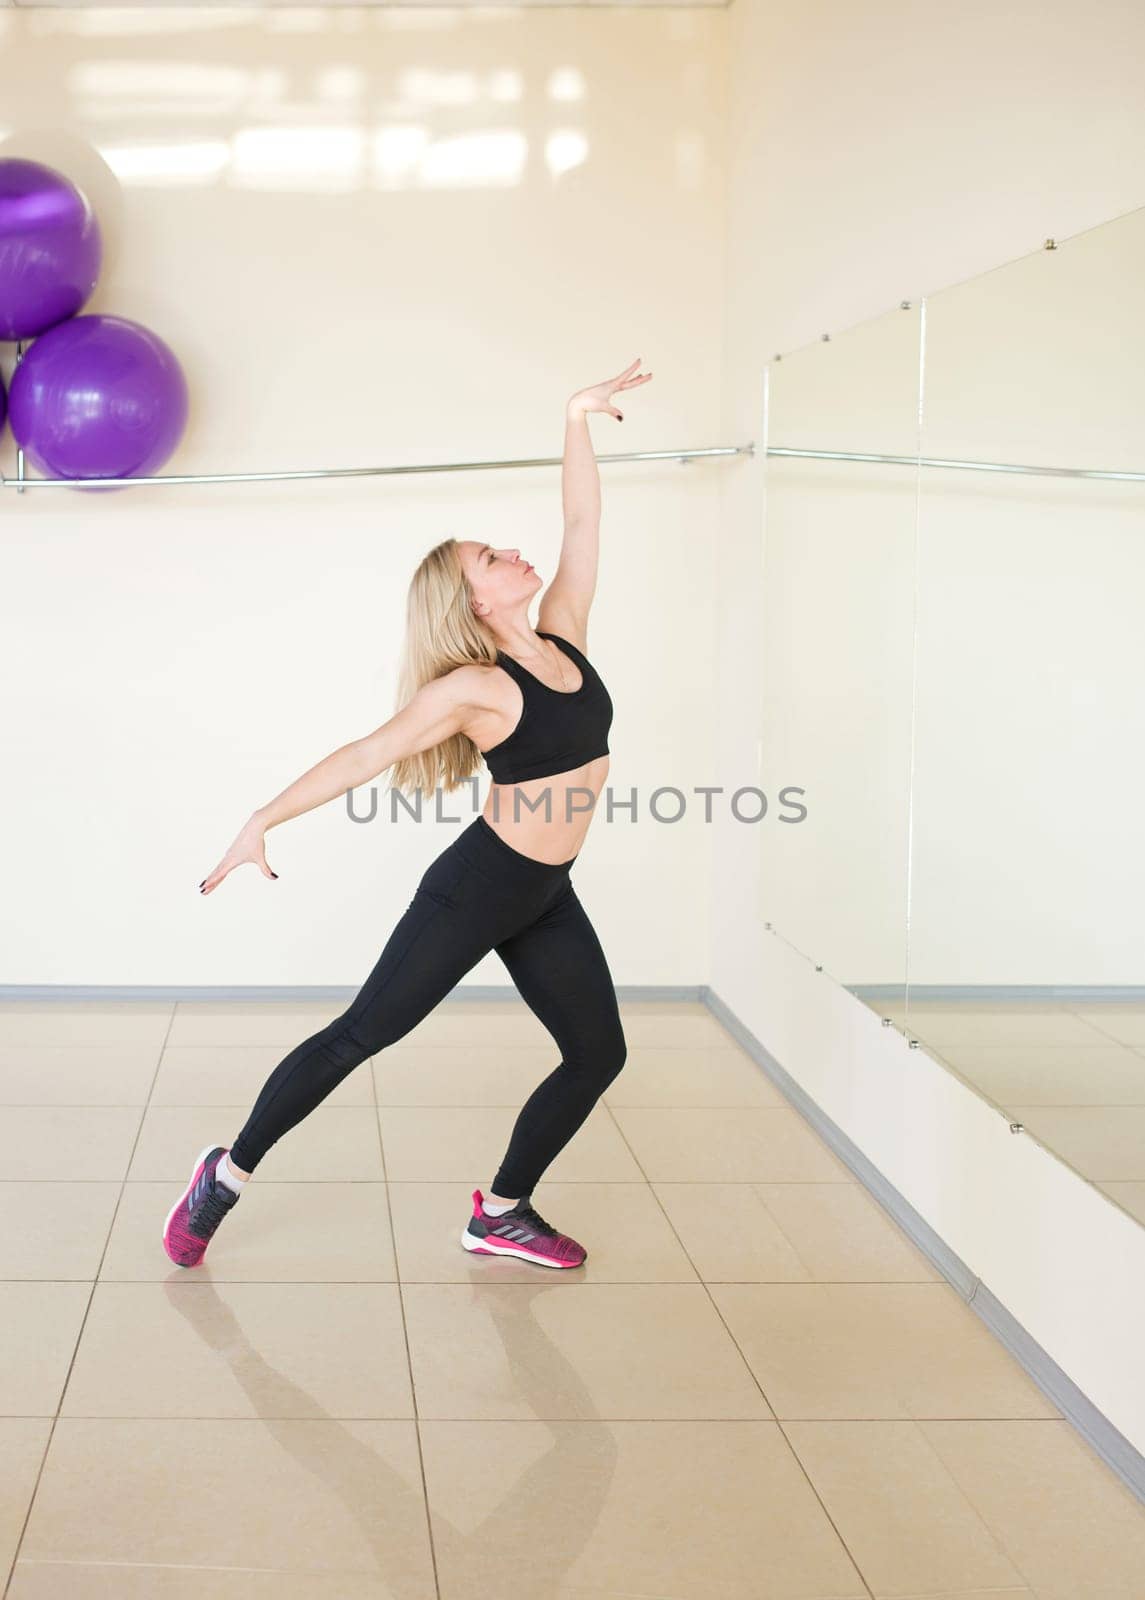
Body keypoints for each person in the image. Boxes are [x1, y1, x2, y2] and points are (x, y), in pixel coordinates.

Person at [163, 357, 654, 1272]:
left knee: (597, 1053)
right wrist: (260, 819)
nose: (512, 553)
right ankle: (225, 1173)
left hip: (546, 891)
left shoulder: (565, 632)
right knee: (364, 1035)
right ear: (474, 599)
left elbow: (581, 519)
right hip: (478, 888)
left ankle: (501, 1210)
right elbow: (365, 754)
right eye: (489, 558)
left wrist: (575, 417)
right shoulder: (475, 687)